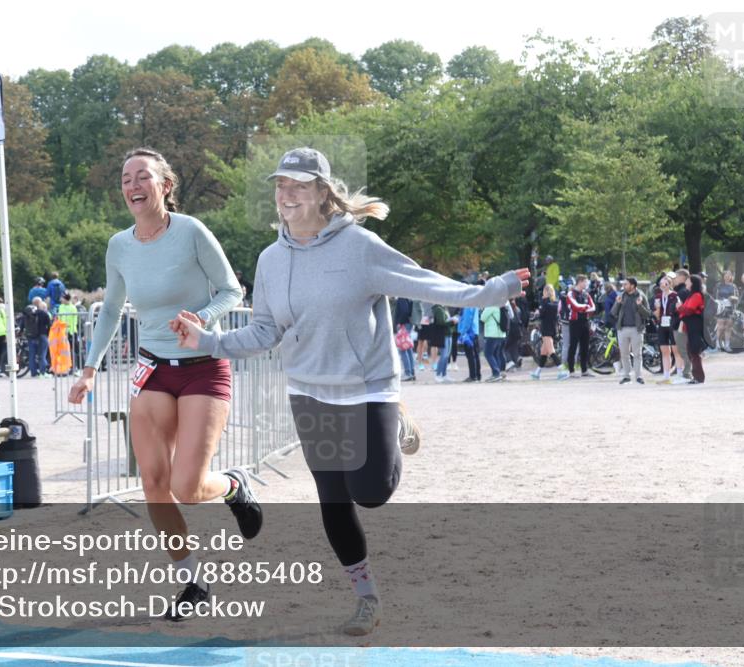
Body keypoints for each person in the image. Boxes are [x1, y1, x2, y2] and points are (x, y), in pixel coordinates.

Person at [170, 147, 528, 635]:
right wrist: (209, 341)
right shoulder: (271, 259)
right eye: (280, 185)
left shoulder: (359, 247)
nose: (287, 194)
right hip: (309, 392)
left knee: (372, 492)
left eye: (298, 185)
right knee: (334, 502)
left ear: (322, 193)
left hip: (368, 390)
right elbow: (264, 331)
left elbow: (425, 284)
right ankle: (366, 598)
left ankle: (396, 423)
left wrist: (492, 291)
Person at [67, 147, 256, 622]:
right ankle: (192, 579)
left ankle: (233, 486)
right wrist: (89, 368)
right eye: (126, 177)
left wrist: (203, 319)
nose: (133, 184)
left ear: (164, 185)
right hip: (152, 367)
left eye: (143, 176)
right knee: (153, 483)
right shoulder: (119, 245)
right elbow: (110, 309)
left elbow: (232, 289)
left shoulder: (191, 231)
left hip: (202, 366)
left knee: (187, 487)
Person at [611, 277, 651, 385]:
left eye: (626, 284)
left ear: (632, 286)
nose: (623, 286)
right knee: (624, 354)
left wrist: (640, 305)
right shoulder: (621, 296)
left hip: (636, 329)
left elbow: (647, 314)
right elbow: (613, 313)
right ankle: (626, 376)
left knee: (637, 354)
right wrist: (617, 303)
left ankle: (638, 376)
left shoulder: (641, 296)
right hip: (622, 329)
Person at [676, 275, 709, 384]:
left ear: (693, 283)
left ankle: (699, 377)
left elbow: (689, 310)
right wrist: (681, 308)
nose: (686, 283)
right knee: (691, 350)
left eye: (688, 281)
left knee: (694, 351)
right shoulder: (691, 295)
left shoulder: (696, 295)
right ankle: (696, 376)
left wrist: (680, 307)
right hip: (690, 326)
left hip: (695, 325)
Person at [564, 274, 596, 378]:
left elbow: (593, 307)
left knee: (585, 346)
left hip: (585, 322)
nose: (587, 284)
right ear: (580, 281)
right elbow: (575, 306)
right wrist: (586, 307)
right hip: (575, 322)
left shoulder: (586, 294)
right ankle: (571, 370)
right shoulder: (571, 293)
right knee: (573, 346)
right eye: (586, 282)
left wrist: (585, 308)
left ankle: (584, 370)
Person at [653, 275, 683, 384]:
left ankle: (680, 374)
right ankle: (666, 376)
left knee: (676, 350)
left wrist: (679, 307)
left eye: (665, 283)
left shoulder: (675, 295)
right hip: (662, 324)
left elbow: (680, 310)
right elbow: (656, 315)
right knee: (665, 351)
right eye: (660, 283)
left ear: (669, 284)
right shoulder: (658, 296)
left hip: (673, 323)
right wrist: (658, 308)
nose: (662, 285)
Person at [531, 284, 562, 380]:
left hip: (546, 329)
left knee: (551, 351)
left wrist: (537, 312)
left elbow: (541, 315)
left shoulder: (545, 303)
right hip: (553, 328)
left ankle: (562, 370)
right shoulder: (555, 303)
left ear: (545, 292)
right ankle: (537, 372)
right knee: (543, 352)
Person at [671, 269, 694, 383]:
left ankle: (687, 373)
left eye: (676, 276)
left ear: (683, 277)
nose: (674, 278)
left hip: (681, 324)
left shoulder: (683, 292)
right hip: (679, 323)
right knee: (682, 350)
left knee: (683, 350)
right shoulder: (679, 291)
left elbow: (680, 309)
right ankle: (686, 372)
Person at [480, 301, 507, 382]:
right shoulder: (501, 304)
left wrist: (483, 309)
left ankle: (496, 373)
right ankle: (497, 374)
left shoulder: (491, 305)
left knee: (488, 353)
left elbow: (482, 317)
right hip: (501, 334)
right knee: (495, 354)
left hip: (492, 333)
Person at [391, 297, 417, 381]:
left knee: (403, 349)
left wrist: (399, 323)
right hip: (408, 324)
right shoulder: (408, 297)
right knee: (408, 349)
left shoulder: (401, 298)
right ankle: (411, 372)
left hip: (403, 324)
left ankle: (407, 372)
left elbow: (404, 311)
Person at [714, 271, 739, 352]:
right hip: (721, 308)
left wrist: (733, 298)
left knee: (728, 327)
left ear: (731, 277)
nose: (727, 277)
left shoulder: (734, 286)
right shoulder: (719, 285)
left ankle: (727, 345)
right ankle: (718, 344)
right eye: (726, 275)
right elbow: (715, 297)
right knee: (720, 327)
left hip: (730, 308)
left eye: (729, 275)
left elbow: (737, 297)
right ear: (723, 276)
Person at [57, 292, 81, 372]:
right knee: (65, 351)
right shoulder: (61, 307)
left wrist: (70, 330)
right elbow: (59, 318)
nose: (60, 299)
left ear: (65, 298)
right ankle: (66, 367)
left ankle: (76, 367)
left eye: (62, 298)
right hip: (63, 332)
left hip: (71, 331)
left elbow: (75, 320)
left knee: (74, 350)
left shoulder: (73, 307)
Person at [458, 304, 482, 382]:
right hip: (474, 331)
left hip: (469, 333)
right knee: (476, 355)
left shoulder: (468, 305)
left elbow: (467, 320)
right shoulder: (475, 304)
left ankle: (473, 376)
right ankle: (478, 375)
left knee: (470, 356)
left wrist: (462, 332)